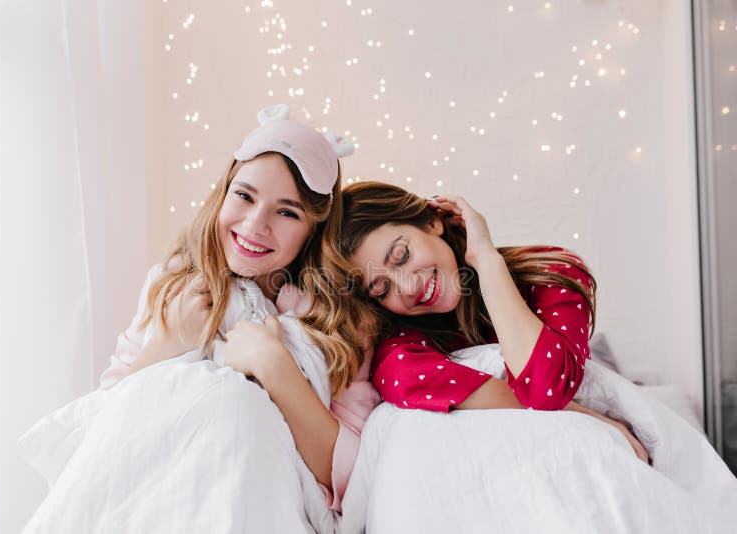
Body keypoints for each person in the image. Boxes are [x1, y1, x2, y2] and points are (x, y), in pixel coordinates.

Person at [97, 104, 380, 512]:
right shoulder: (172, 283)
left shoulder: (342, 324)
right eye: (244, 196)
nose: (254, 225)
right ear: (224, 191)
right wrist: (166, 343)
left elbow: (355, 477)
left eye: (287, 212)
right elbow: (101, 424)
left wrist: (276, 369)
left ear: (314, 230)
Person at [337, 181, 648, 460]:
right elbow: (403, 378)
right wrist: (582, 414)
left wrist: (485, 258)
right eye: (381, 288)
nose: (407, 286)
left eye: (402, 255)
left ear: (432, 222)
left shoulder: (551, 272)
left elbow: (546, 387)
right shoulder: (401, 342)